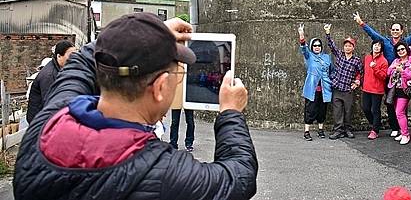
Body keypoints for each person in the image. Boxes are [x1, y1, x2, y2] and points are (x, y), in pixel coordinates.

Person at [14, 12, 258, 200]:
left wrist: (148, 34)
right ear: (160, 87)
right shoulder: (162, 172)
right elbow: (238, 176)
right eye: (178, 74)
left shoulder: (47, 124)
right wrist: (231, 113)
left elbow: (82, 63)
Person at [353, 11, 411, 137]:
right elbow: (373, 34)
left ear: (401, 31)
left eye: (397, 29)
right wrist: (361, 23)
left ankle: (403, 129)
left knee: (401, 105)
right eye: (393, 29)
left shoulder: (405, 42)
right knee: (390, 102)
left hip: (403, 78)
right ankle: (394, 127)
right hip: (390, 77)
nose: (395, 31)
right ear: (390, 30)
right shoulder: (385, 42)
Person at [26, 40, 76, 124]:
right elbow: (50, 104)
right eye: (71, 55)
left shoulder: (60, 68)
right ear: (59, 56)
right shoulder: (49, 76)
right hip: (40, 122)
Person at [325, 24, 362, 140]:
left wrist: (357, 81)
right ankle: (338, 130)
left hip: (348, 90)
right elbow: (332, 46)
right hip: (337, 88)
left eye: (349, 46)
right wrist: (327, 33)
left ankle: (348, 129)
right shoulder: (339, 55)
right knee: (337, 112)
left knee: (348, 111)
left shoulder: (356, 60)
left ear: (353, 48)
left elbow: (361, 72)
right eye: (346, 45)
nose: (347, 47)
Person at [298, 23, 333, 141]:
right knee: (310, 110)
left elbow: (331, 71)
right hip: (312, 88)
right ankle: (306, 131)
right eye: (315, 45)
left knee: (322, 110)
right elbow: (304, 48)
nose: (317, 47)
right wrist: (301, 35)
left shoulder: (327, 57)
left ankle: (320, 129)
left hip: (325, 88)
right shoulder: (309, 56)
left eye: (319, 45)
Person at [387, 41, 411, 145]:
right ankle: (402, 132)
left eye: (402, 49)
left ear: (407, 49)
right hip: (395, 89)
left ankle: (405, 134)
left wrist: (401, 70)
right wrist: (393, 67)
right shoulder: (396, 60)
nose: (400, 51)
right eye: (398, 50)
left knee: (399, 112)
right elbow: (388, 72)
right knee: (398, 112)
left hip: (405, 90)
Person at [361, 39, 388, 140]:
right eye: (375, 45)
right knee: (365, 108)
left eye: (379, 46)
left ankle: (375, 130)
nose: (376, 47)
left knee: (375, 110)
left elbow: (383, 76)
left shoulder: (384, 61)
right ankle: (375, 124)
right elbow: (363, 71)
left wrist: (375, 68)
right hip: (366, 88)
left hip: (377, 90)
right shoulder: (367, 58)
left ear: (381, 48)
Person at [169, 77, 195, 151]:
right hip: (177, 97)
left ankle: (189, 143)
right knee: (174, 122)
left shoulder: (189, 67)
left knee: (190, 121)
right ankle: (173, 143)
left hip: (188, 96)